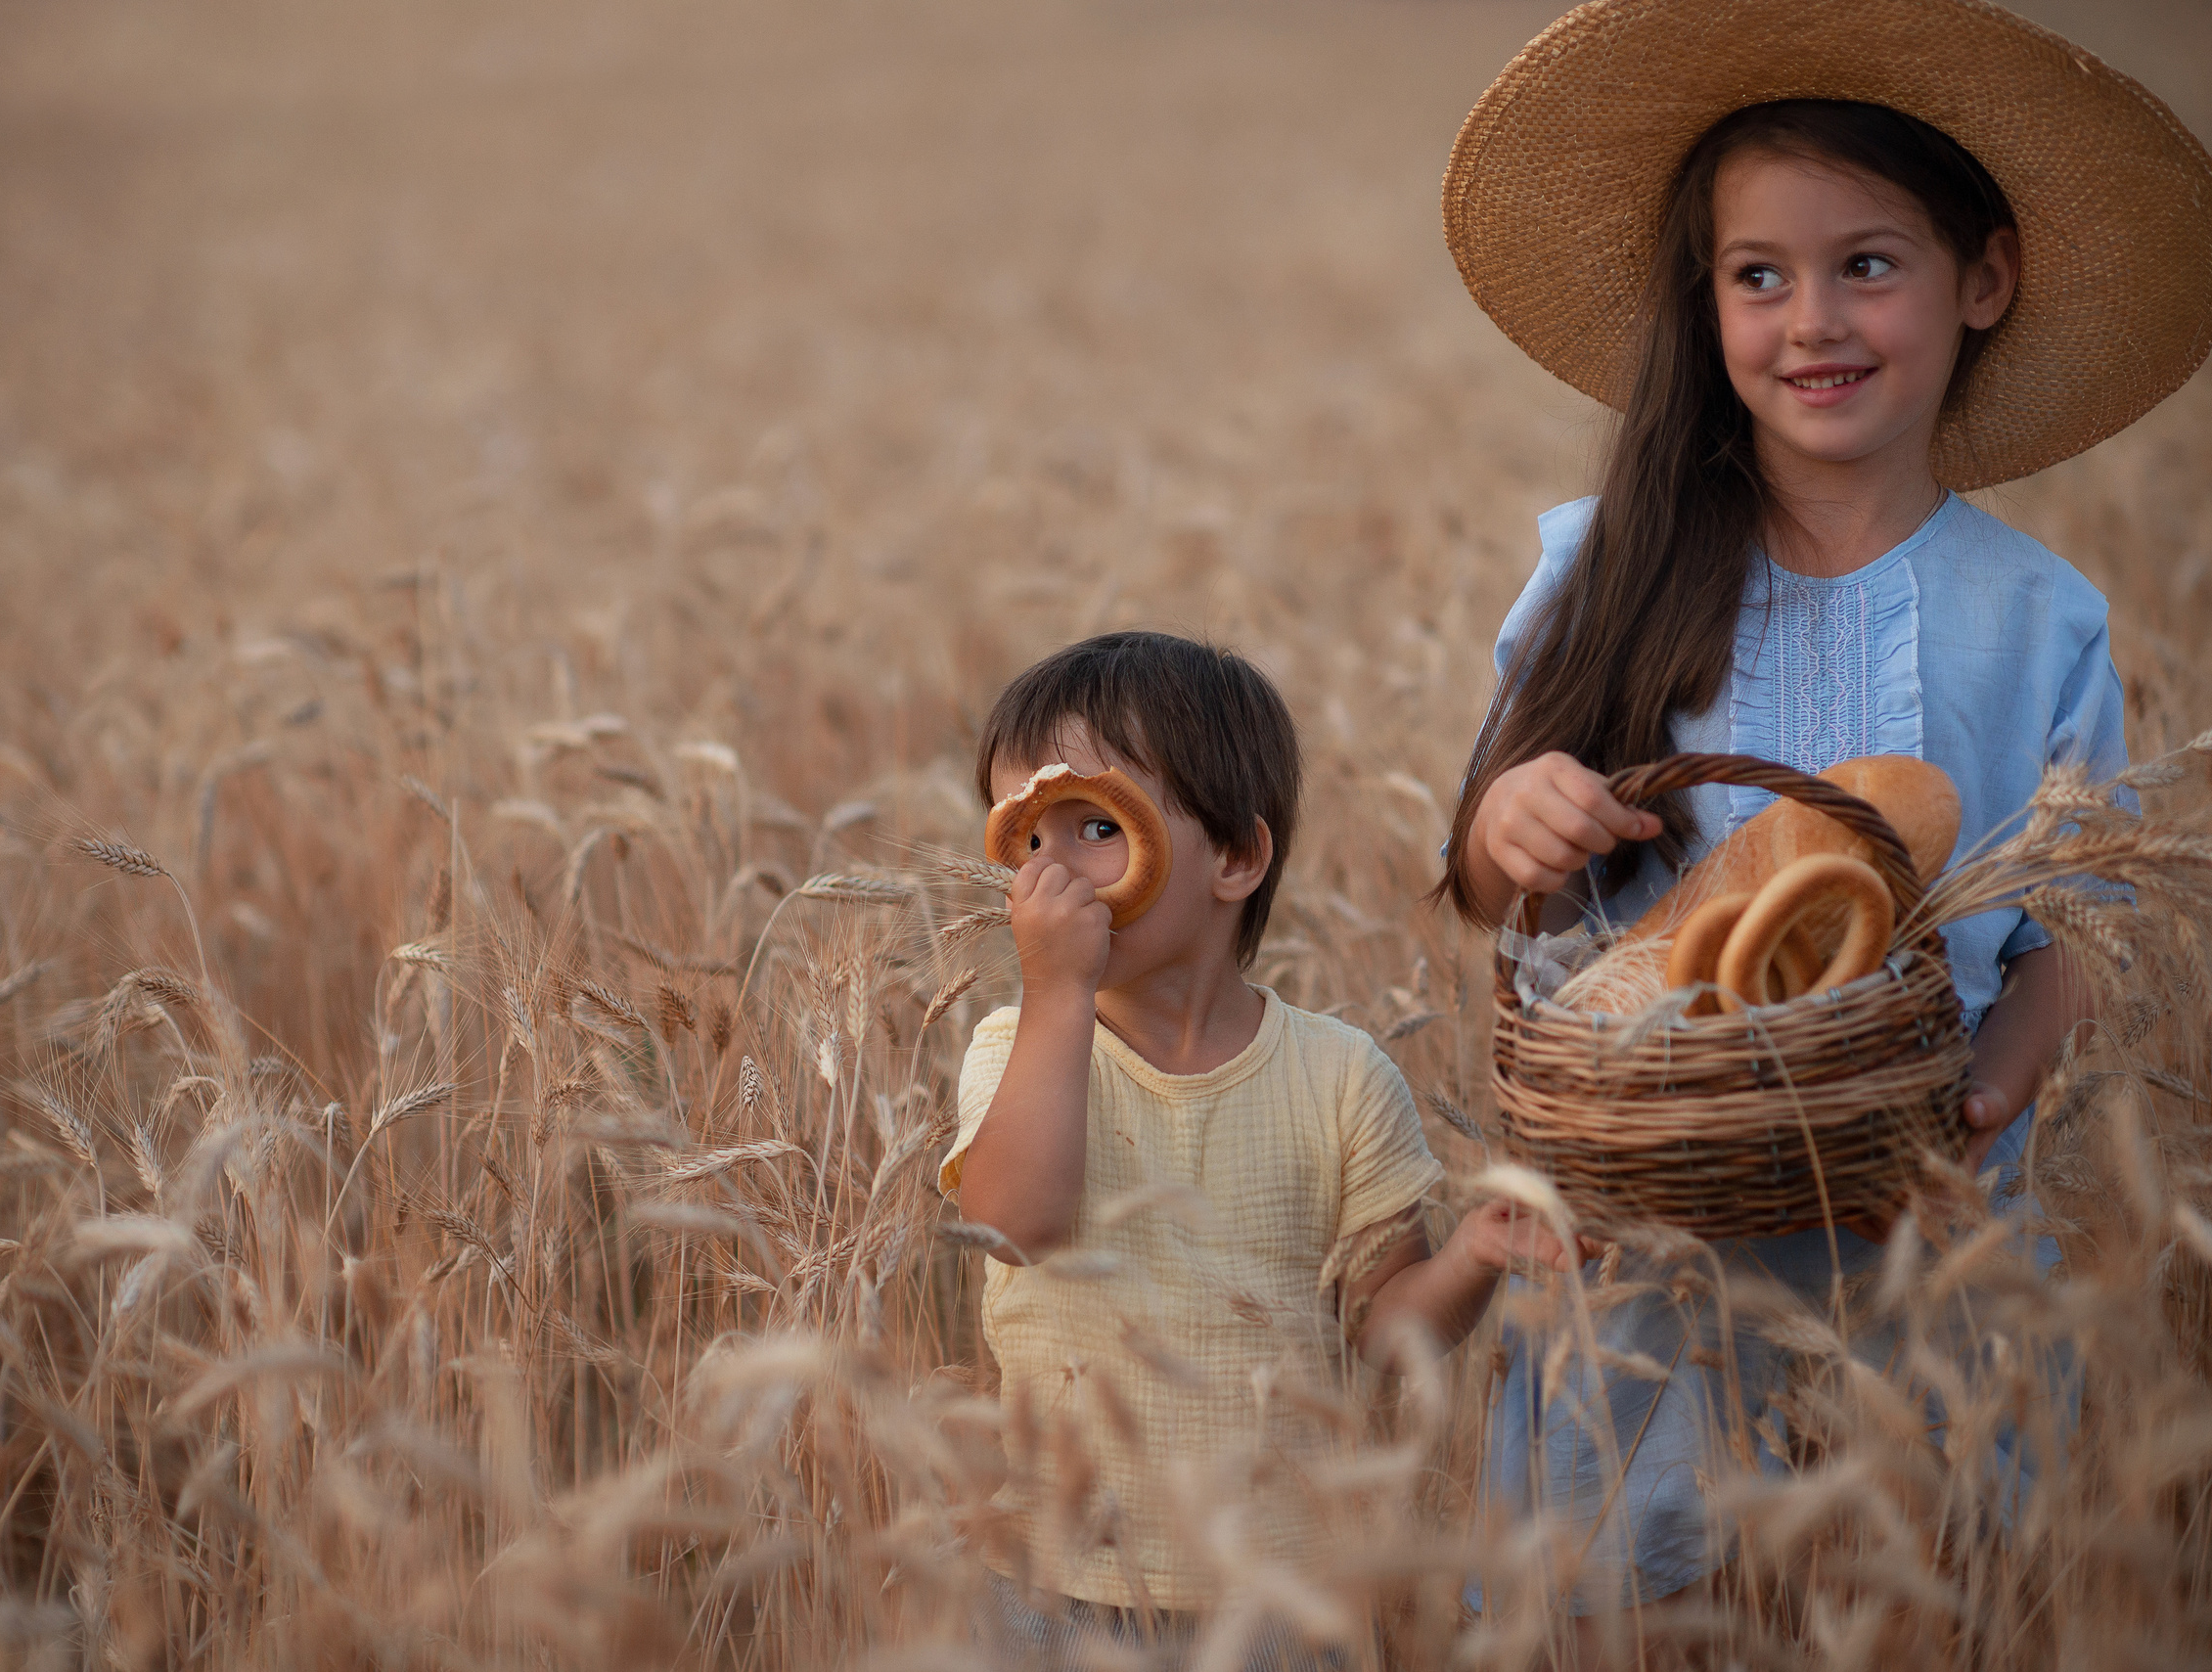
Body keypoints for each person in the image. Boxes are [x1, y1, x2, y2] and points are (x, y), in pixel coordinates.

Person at [1433, 0, 2212, 1654]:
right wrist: (1518, 814)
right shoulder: (1605, 564)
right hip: (1641, 1262)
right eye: (1759, 276)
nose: (1813, 319)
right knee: (1648, 1604)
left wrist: (1984, 1093)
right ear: (1704, 303)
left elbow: (2087, 911)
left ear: (1981, 280)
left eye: (1871, 263)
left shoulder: (2039, 616)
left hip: (1920, 1246)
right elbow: (1486, 872)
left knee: (1910, 1592)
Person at [944, 630, 1593, 1669]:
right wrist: (1054, 993)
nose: (1049, 872)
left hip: (1283, 1593)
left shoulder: (1340, 1076)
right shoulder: (1011, 1049)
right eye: (1025, 840)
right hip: (1052, 1578)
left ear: (1236, 858)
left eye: (1096, 826)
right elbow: (1013, 1222)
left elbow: (1384, 1337)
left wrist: (1471, 1254)